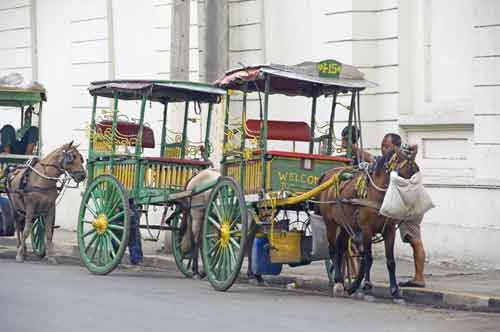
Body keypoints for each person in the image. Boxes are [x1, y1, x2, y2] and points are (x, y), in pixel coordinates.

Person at [379, 133, 426, 288]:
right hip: (412, 205)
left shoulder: (404, 161)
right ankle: (418, 277)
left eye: (386, 146)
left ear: (395, 148)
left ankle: (419, 278)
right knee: (415, 241)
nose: (382, 149)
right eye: (382, 145)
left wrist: (406, 153)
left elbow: (414, 151)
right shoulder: (399, 160)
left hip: (409, 207)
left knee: (415, 241)